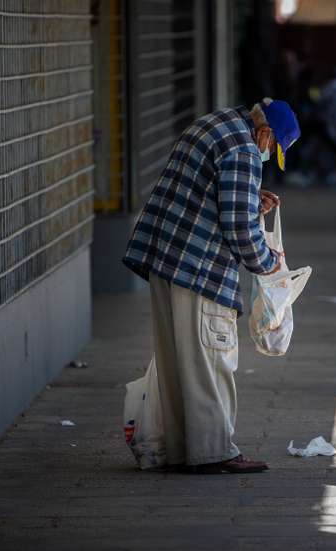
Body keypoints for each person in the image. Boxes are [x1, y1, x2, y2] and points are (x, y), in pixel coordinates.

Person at [122, 98, 301, 474]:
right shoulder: (243, 149)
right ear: (265, 132)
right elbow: (239, 228)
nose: (267, 154)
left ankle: (180, 450)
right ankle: (213, 452)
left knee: (178, 365)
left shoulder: (216, 124)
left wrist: (252, 199)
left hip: (165, 261)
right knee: (209, 360)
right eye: (271, 148)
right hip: (198, 268)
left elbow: (209, 195)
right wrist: (270, 265)